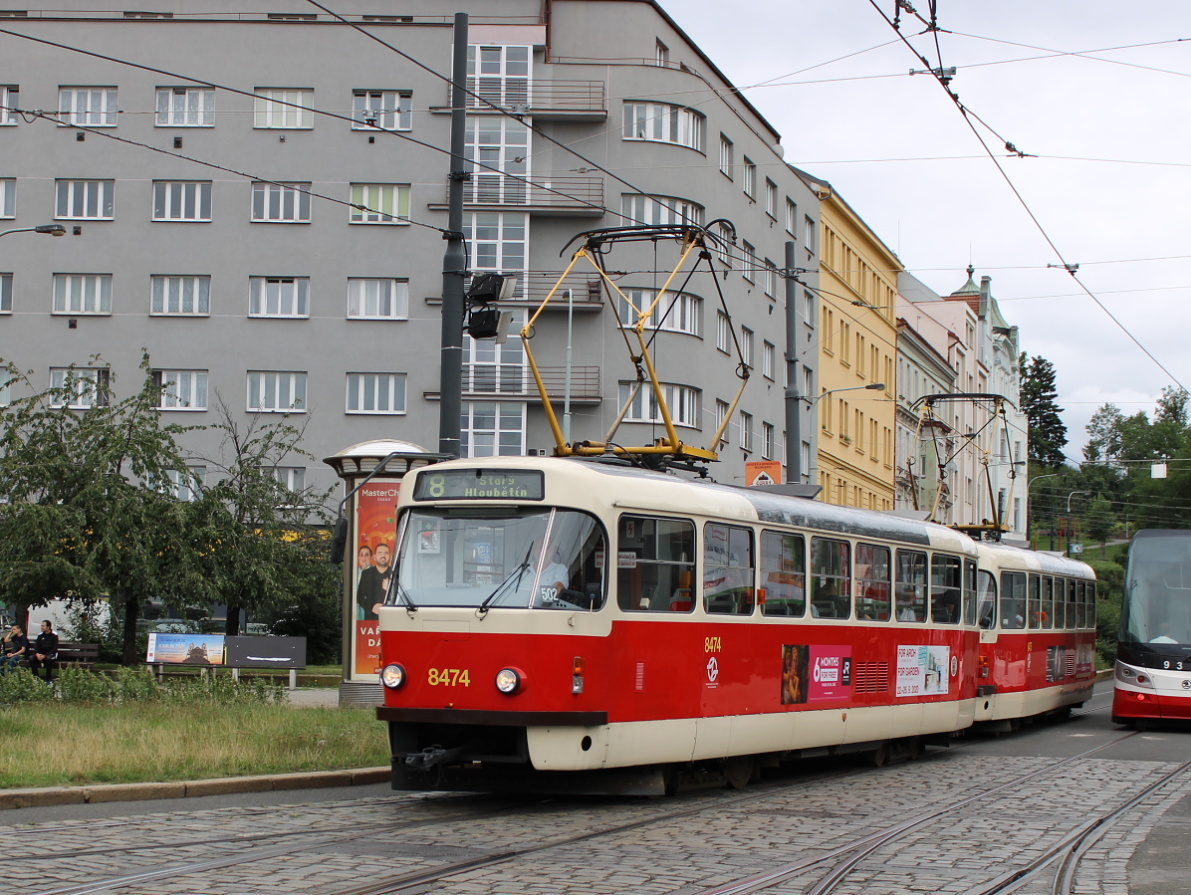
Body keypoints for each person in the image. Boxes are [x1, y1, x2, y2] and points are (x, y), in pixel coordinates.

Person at [356, 541, 392, 619]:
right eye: (380, 552)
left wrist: (389, 589)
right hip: (370, 620)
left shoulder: (394, 574)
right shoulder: (366, 574)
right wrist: (372, 607)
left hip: (390, 618)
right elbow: (359, 597)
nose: (383, 555)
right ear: (374, 557)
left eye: (386, 553)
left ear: (390, 556)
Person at [27, 619, 59, 684]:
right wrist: (37, 654)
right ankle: (36, 678)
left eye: (43, 626)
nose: (41, 627)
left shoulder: (54, 635)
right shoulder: (40, 635)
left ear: (48, 627)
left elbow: (54, 649)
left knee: (48, 659)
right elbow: (36, 647)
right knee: (31, 658)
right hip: (40, 654)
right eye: (41, 626)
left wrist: (45, 655)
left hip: (50, 654)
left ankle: (48, 679)